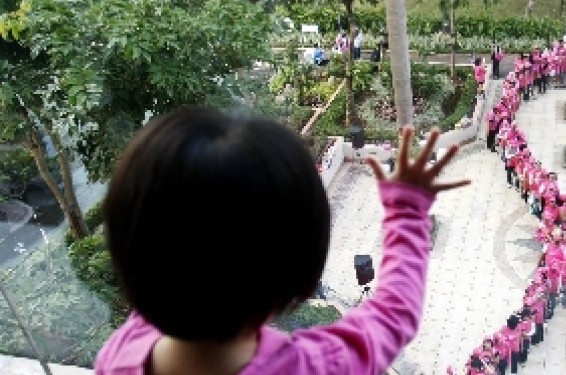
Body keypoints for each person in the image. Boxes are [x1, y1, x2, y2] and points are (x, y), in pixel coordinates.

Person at [93, 107, 471, 375]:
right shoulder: (315, 366)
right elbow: (393, 315)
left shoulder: (119, 356)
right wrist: (407, 209)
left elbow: (174, 248)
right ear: (298, 276)